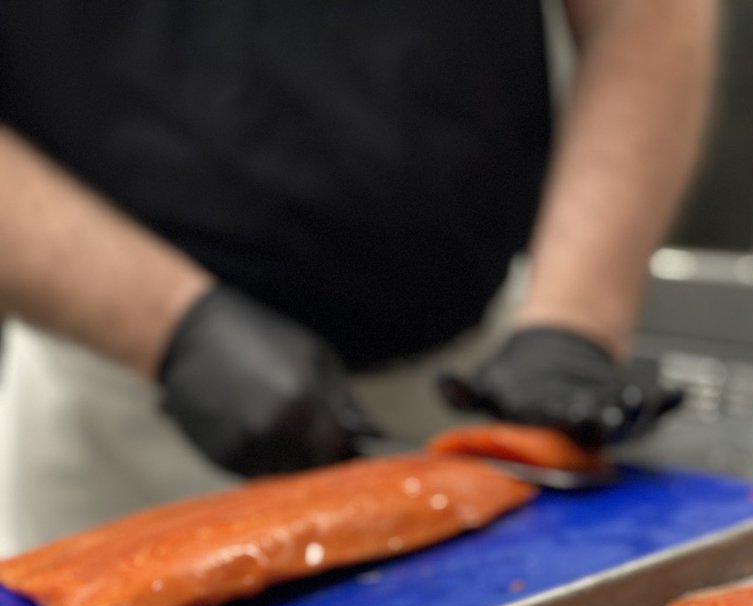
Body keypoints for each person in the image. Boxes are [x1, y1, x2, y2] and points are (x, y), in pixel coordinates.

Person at [0, 1, 716, 553]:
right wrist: (166, 325)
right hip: (120, 428)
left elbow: (643, 15)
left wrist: (573, 321)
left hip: (469, 399)